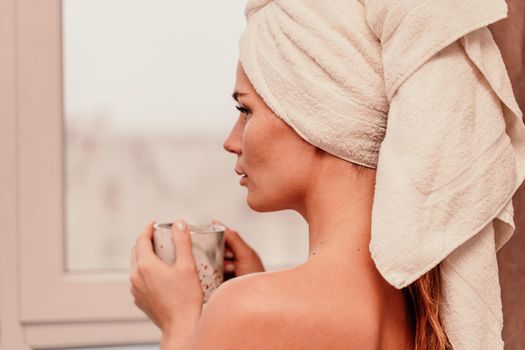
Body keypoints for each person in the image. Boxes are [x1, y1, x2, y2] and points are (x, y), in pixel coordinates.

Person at [130, 1, 525, 349]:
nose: (231, 141)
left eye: (245, 110)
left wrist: (179, 323)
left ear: (318, 119)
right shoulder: (426, 313)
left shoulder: (246, 311)